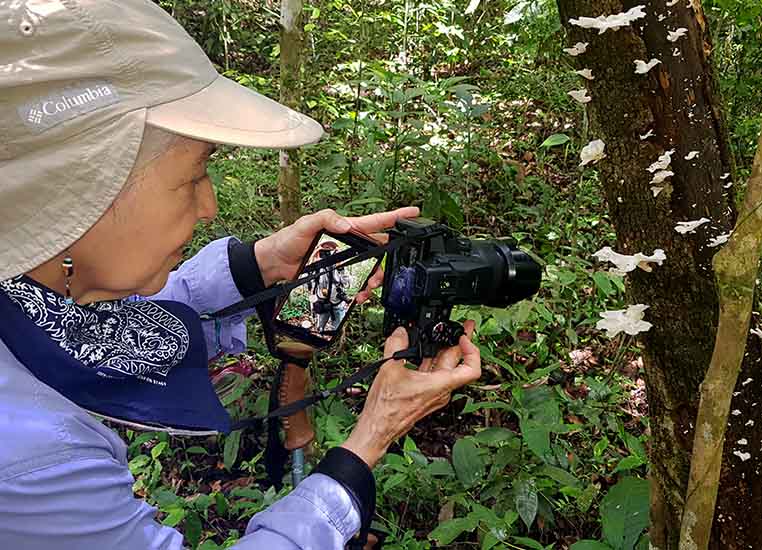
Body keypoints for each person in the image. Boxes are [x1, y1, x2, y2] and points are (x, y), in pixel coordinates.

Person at [0, 2, 481, 549]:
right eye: (194, 176)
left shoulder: (23, 289)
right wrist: (368, 442)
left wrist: (257, 266)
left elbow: (98, 333)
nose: (208, 206)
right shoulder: (30, 454)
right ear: (82, 190)